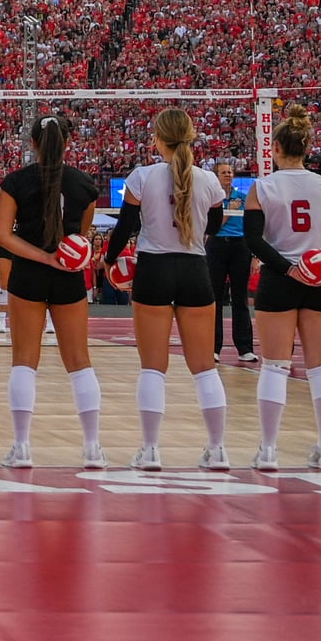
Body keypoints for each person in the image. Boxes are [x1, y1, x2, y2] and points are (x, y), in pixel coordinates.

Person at [109, 106, 229, 471]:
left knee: (153, 368)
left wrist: (107, 260)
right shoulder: (209, 180)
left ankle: (150, 451)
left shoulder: (142, 177)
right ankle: (218, 450)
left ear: (159, 139)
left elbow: (125, 226)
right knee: (205, 368)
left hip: (154, 269)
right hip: (194, 269)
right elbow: (217, 222)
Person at [0, 115, 106, 469]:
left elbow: (2, 234)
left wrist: (41, 255)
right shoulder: (84, 184)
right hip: (69, 276)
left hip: (28, 273)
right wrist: (63, 256)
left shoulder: (16, 181)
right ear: (67, 142)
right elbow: (82, 234)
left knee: (25, 358)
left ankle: (22, 447)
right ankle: (93, 449)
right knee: (79, 361)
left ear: (34, 143)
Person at [243, 105, 321, 471]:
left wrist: (287, 266)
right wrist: (308, 260)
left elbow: (253, 239)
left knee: (274, 367)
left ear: (277, 148)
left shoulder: (264, 186)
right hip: (319, 279)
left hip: (279, 278)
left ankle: (268, 450)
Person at [208, 158, 256, 363]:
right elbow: (211, 228)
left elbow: (253, 228)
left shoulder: (243, 198)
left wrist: (254, 255)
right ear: (216, 177)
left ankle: (245, 347)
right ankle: (214, 347)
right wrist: (230, 211)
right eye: (223, 172)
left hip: (239, 245)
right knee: (215, 298)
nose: (228, 175)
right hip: (217, 245)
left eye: (230, 172)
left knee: (240, 298)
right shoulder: (212, 200)